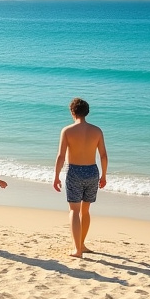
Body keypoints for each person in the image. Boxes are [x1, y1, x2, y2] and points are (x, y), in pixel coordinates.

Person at [53, 97, 108, 258]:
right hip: (92, 171)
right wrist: (104, 175)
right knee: (85, 210)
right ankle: (82, 244)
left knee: (74, 210)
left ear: (72, 112)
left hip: (74, 171)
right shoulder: (97, 131)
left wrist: (56, 176)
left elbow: (61, 156)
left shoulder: (67, 131)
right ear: (87, 112)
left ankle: (77, 249)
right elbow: (103, 155)